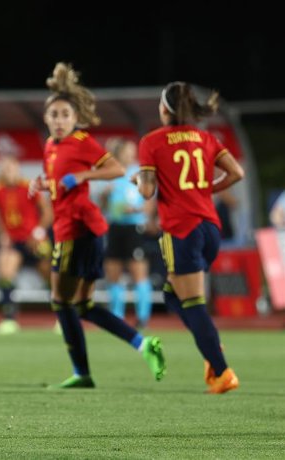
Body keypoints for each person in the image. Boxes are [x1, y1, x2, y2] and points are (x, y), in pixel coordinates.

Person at [29, 62, 166, 389]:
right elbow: (60, 182)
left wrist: (85, 175)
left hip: (76, 230)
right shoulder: (51, 146)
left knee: (61, 301)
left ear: (75, 118)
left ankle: (81, 372)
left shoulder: (81, 142)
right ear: (46, 118)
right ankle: (143, 345)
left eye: (65, 115)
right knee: (83, 305)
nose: (60, 120)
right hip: (86, 230)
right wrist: (44, 184)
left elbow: (117, 168)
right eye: (55, 115)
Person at [137, 81, 244, 394]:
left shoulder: (152, 141)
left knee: (193, 302)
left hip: (181, 229)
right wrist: (205, 190)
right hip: (210, 228)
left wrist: (138, 179)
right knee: (173, 296)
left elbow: (147, 191)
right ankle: (210, 345)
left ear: (164, 109)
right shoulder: (206, 138)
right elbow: (237, 173)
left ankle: (222, 371)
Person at [0, 154, 52, 334]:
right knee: (5, 273)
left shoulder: (29, 187)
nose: (8, 172)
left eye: (11, 168)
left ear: (17, 169)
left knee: (50, 275)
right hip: (14, 241)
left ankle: (62, 318)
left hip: (34, 240)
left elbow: (47, 212)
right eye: (4, 168)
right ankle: (9, 319)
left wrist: (39, 232)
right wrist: (3, 234)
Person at [100, 139, 154, 328]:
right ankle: (116, 316)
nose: (131, 155)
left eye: (132, 151)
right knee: (112, 271)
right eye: (127, 151)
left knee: (138, 272)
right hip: (115, 227)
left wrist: (135, 210)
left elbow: (148, 205)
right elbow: (104, 206)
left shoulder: (139, 173)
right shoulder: (111, 175)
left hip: (133, 228)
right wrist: (105, 197)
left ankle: (142, 316)